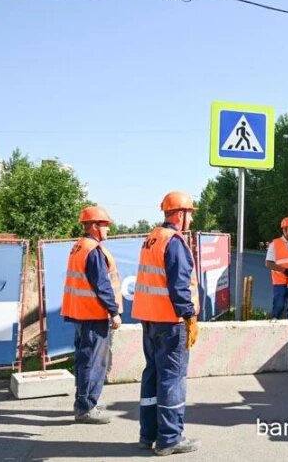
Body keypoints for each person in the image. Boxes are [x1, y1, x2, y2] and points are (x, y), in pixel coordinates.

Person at [131, 191, 200, 456]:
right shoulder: (174, 241)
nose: (191, 220)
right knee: (172, 379)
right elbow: (180, 285)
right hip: (170, 322)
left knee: (153, 375)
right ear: (180, 214)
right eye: (190, 214)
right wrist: (189, 316)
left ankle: (147, 435)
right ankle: (170, 438)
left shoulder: (152, 238)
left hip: (149, 319)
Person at [61, 205, 123, 424]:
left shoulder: (79, 246)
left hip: (80, 314)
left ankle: (86, 402)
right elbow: (102, 285)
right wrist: (114, 312)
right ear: (95, 226)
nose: (108, 229)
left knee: (84, 360)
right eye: (105, 225)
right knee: (93, 363)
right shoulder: (93, 250)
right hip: (93, 315)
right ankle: (86, 407)